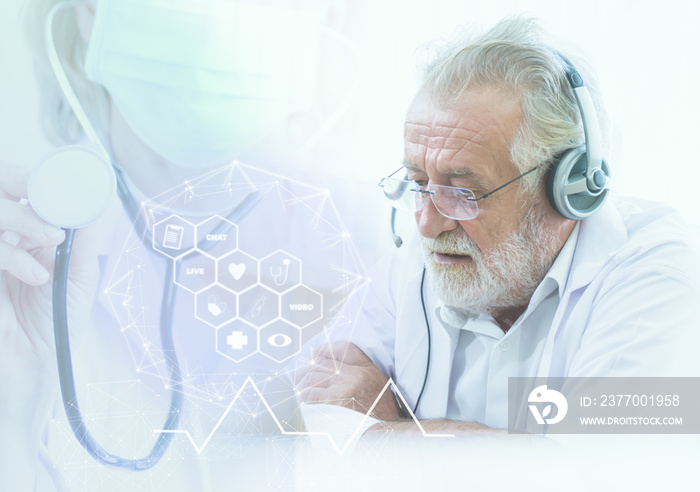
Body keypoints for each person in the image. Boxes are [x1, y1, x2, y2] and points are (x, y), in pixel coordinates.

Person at [0, 0, 388, 490]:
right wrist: (9, 421)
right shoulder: (20, 259)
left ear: (328, 15)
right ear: (91, 10)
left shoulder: (402, 255)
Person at [294, 16, 700, 434]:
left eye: (463, 192)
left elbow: (594, 472)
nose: (428, 225)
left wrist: (384, 430)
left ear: (570, 187)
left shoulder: (658, 277)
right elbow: (316, 393)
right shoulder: (421, 258)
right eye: (418, 184)